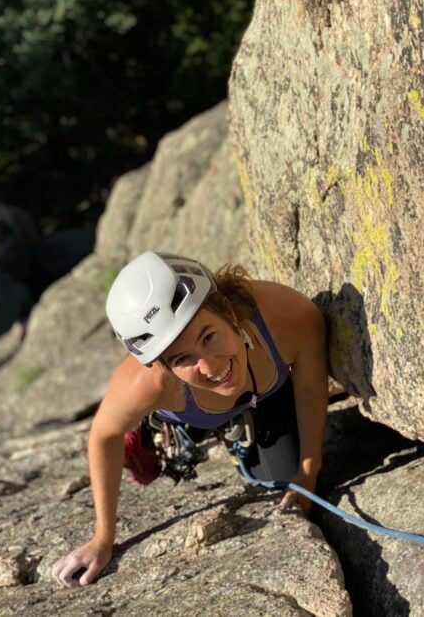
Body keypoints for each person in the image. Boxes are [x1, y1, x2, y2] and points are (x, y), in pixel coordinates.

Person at [52, 251, 328, 588]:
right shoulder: (147, 385)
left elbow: (312, 389)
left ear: (227, 311)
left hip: (268, 393)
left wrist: (307, 471)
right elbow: (102, 435)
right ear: (163, 365)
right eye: (183, 357)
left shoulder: (290, 316)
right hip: (188, 410)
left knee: (284, 478)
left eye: (208, 336)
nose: (210, 366)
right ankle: (162, 430)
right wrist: (102, 539)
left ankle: (234, 424)